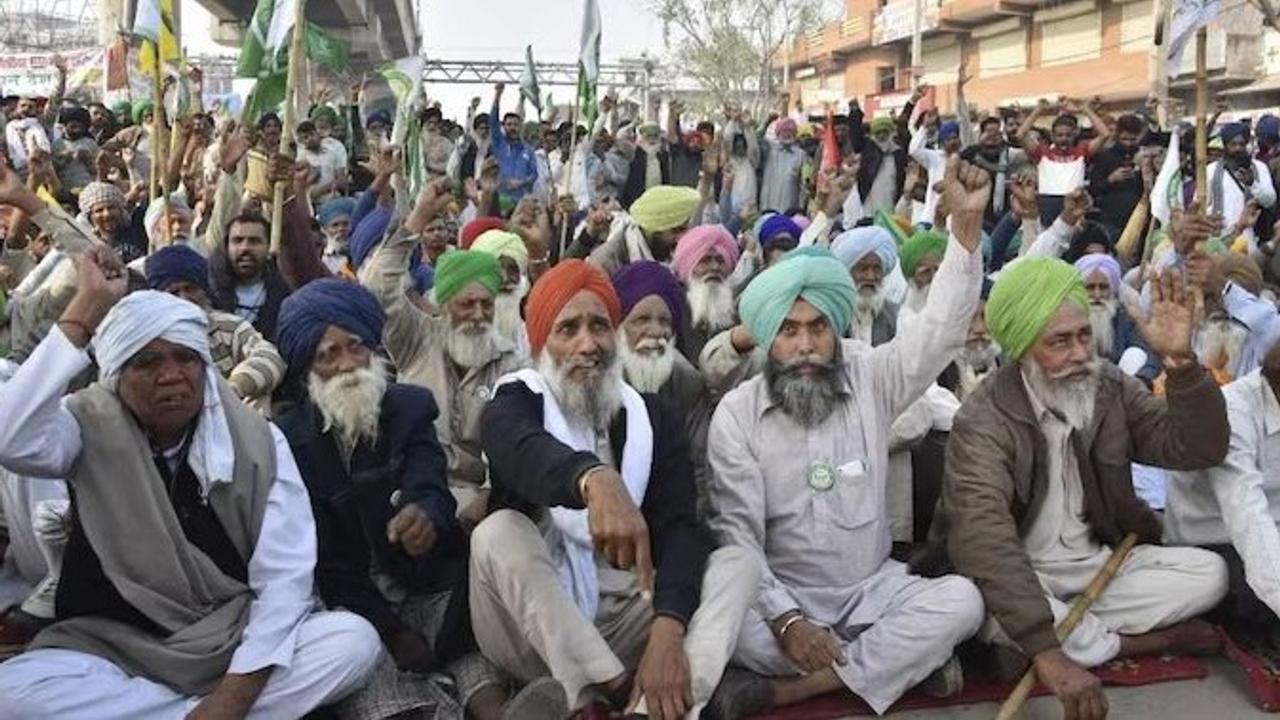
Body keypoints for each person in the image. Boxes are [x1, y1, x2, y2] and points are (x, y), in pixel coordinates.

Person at [0, 247, 382, 717]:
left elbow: (284, 581)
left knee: (352, 643)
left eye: (185, 358)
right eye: (147, 363)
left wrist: (233, 696)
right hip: (114, 647)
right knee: (11, 693)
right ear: (116, 375)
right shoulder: (85, 425)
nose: (171, 376)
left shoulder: (257, 442)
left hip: (227, 639)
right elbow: (8, 435)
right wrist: (85, 311)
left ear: (204, 364)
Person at [707, 157, 994, 715]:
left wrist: (964, 233)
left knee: (964, 602)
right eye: (788, 331)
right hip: (781, 600)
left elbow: (939, 336)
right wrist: (788, 621)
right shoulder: (738, 415)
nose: (806, 345)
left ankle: (803, 688)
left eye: (818, 328)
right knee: (727, 623)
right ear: (768, 339)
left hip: (870, 591)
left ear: (836, 331)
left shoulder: (870, 376)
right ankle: (900, 663)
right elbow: (737, 534)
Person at [943, 256, 1231, 720]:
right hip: (1021, 572)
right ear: (1021, 348)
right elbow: (986, 540)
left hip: (1100, 566)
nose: (1080, 353)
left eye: (1082, 336)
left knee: (1211, 573)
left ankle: (1063, 635)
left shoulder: (1109, 386)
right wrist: (1046, 648)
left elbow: (1196, 448)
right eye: (1059, 342)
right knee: (979, 602)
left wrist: (1180, 365)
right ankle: (1130, 641)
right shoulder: (982, 421)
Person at [470, 260, 761, 718]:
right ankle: (612, 688)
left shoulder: (652, 417)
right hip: (534, 630)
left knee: (736, 563)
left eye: (599, 327)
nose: (588, 344)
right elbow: (514, 444)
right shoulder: (517, 401)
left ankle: (649, 709)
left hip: (632, 616)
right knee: (497, 531)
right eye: (568, 329)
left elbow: (680, 526)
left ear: (615, 335)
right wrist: (594, 479)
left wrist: (668, 629)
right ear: (543, 341)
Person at [273, 279, 565, 720]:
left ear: (373, 349)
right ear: (307, 372)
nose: (347, 364)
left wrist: (423, 512)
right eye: (327, 355)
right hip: (355, 604)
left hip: (425, 584)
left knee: (471, 660)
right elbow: (326, 562)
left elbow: (430, 480)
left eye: (355, 347)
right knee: (380, 683)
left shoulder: (408, 407)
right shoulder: (291, 443)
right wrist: (391, 632)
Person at [362, 182, 526, 528]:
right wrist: (419, 216)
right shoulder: (417, 338)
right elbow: (377, 289)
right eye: (467, 304)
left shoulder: (511, 363)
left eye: (487, 304)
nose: (479, 315)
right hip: (413, 492)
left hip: (482, 504)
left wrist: (488, 495)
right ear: (444, 304)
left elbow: (515, 442)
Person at [1164, 338, 1280, 642]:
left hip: (1271, 533)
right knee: (1248, 597)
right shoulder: (1232, 412)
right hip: (1215, 542)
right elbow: (1247, 515)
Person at [611, 260, 713, 517]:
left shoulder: (689, 384)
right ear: (618, 327)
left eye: (665, 321)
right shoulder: (599, 382)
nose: (656, 332)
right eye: (641, 320)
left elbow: (700, 471)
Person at [145, 245, 285, 407]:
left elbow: (270, 357)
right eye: (174, 292)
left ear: (204, 290)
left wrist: (231, 389)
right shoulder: (151, 339)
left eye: (190, 289)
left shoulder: (226, 327)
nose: (184, 299)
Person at [1074, 253, 1157, 382]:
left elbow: (1149, 354)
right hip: (1077, 384)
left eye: (1103, 287)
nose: (1097, 295)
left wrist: (1142, 380)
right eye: (1090, 288)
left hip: (1121, 387)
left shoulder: (1123, 317)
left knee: (1135, 354)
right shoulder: (1069, 320)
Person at [211, 212, 291, 342]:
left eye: (254, 241)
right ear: (227, 246)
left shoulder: (284, 293)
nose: (245, 248)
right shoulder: (210, 292)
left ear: (268, 246)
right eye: (237, 240)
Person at [587, 185, 701, 275]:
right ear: (653, 228)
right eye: (676, 230)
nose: (681, 239)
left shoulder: (673, 258)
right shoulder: (606, 262)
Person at [671, 224, 740, 363]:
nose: (714, 267)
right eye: (705, 260)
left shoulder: (738, 308)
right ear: (689, 265)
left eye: (720, 260)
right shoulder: (673, 306)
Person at [830, 226, 900, 346]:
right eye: (863, 269)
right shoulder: (832, 316)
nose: (870, 277)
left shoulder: (895, 316)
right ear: (847, 272)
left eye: (877, 269)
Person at [1207, 122, 1277, 230]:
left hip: (1251, 238)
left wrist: (1252, 183)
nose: (1238, 148)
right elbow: (1201, 204)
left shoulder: (1259, 167)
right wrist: (1209, 218)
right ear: (1225, 145)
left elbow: (1270, 201)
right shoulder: (1211, 170)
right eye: (1233, 144)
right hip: (1220, 238)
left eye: (1241, 144)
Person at [1088, 114, 1147, 234]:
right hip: (1112, 217)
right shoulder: (1105, 157)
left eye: (1133, 139)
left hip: (1139, 215)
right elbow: (1093, 189)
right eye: (1124, 139)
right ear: (1117, 136)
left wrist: (1144, 169)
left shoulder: (1143, 155)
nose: (1129, 144)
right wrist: (1111, 179)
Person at [488, 83, 538, 211]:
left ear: (520, 126)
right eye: (509, 124)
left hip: (521, 201)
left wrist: (521, 182)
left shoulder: (529, 150)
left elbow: (534, 174)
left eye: (515, 125)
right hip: (500, 199)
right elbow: (493, 120)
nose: (512, 128)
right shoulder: (499, 144)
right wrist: (497, 95)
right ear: (503, 126)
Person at [76, 181, 147, 265]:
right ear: (90, 217)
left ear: (121, 210)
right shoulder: (88, 246)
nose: (107, 214)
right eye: (99, 210)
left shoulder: (138, 229)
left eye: (111, 208)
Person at [759, 118, 805, 213]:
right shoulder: (769, 151)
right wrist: (766, 122)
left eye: (790, 131)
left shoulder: (801, 155)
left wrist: (800, 209)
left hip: (790, 209)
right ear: (778, 133)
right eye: (784, 131)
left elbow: (803, 185)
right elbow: (757, 141)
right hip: (768, 207)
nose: (787, 134)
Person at [898, 230, 948, 317]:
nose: (934, 278)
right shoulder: (902, 315)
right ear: (912, 279)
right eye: (925, 272)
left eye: (938, 270)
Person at [296, 120, 347, 204]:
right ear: (301, 141)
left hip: (335, 199)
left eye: (312, 134)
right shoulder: (301, 159)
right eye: (305, 137)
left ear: (317, 133)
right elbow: (307, 193)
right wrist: (330, 185)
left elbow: (342, 181)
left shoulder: (332, 153)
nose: (310, 139)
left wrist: (324, 188)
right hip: (314, 205)